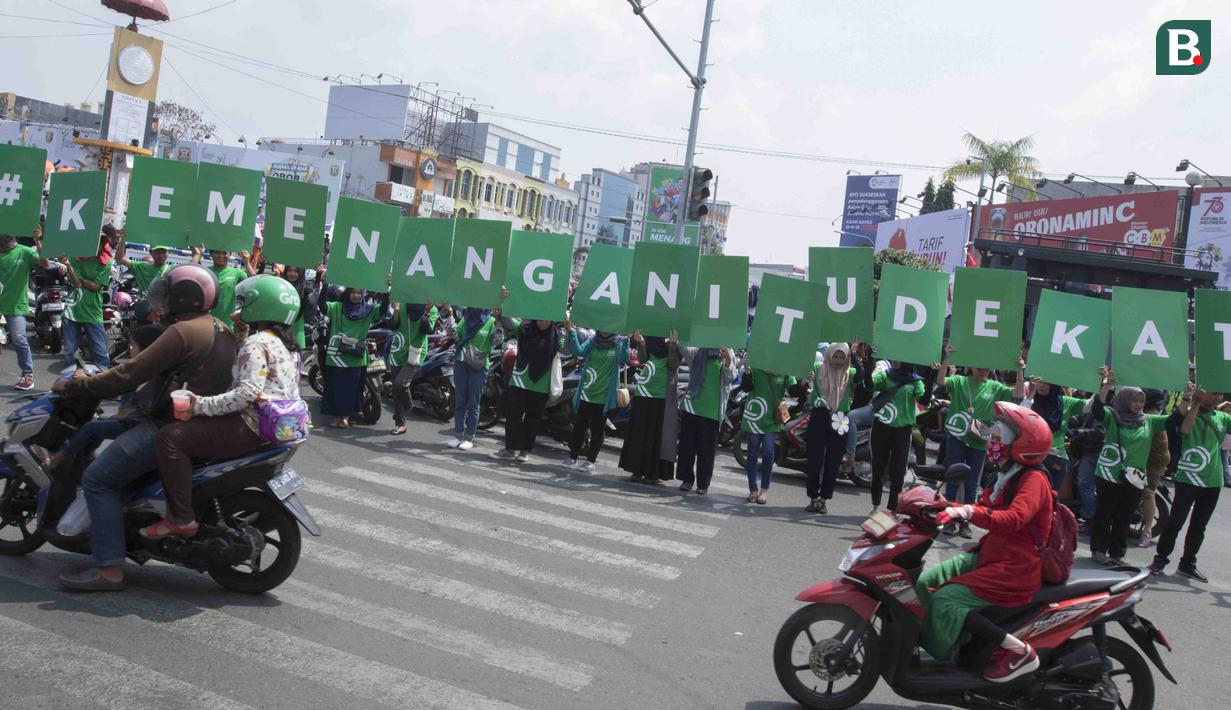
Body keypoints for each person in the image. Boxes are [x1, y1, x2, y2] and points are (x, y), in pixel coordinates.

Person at [55, 264, 237, 591]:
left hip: (164, 426)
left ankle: (108, 569)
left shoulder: (182, 332)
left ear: (185, 297)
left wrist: (78, 386)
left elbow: (129, 374)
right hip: (201, 424)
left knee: (97, 480)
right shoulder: (220, 328)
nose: (163, 302)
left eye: (168, 295)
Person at [142, 275, 305, 539]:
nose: (238, 307)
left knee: (170, 439)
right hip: (279, 426)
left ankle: (181, 517)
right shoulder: (288, 345)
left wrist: (199, 405)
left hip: (249, 425)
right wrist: (241, 333)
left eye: (244, 301)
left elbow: (247, 393)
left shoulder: (258, 342)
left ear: (260, 304)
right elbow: (254, 371)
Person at [917, 402, 1052, 683]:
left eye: (998, 438)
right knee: (921, 583)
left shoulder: (1033, 480)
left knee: (945, 600)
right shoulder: (1006, 473)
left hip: (1014, 567)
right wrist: (942, 504)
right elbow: (983, 505)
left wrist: (967, 511)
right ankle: (957, 641)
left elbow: (1015, 518)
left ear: (1021, 444)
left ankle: (1016, 651)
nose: (992, 442)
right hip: (991, 554)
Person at [47, 323, 165, 472]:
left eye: (133, 345)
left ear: (147, 347)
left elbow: (112, 385)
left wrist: (83, 381)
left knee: (89, 428)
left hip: (133, 422)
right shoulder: (153, 366)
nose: (130, 348)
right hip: (134, 417)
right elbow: (114, 381)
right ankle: (88, 455)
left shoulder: (141, 370)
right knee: (100, 420)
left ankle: (58, 457)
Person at [935, 346, 1025, 537]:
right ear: (970, 364)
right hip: (957, 437)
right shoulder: (959, 381)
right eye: (978, 364)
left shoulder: (995, 387)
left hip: (980, 440)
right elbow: (941, 381)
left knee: (972, 482)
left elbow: (1017, 395)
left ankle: (966, 522)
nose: (982, 368)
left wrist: (1020, 370)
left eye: (986, 365)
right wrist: (947, 357)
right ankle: (949, 519)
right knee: (953, 479)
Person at [1088, 370, 1169, 566]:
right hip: (1109, 474)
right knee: (1104, 514)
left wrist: (1187, 398)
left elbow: (1175, 420)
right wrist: (1107, 385)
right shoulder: (1112, 416)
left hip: (1135, 477)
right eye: (1134, 400)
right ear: (1124, 400)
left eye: (1141, 401)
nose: (1138, 404)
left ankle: (1117, 553)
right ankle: (1099, 550)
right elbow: (1097, 408)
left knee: (1124, 517)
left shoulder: (1148, 421)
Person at [1149, 384, 1225, 582]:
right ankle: (1160, 559)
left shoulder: (1222, 418)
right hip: (1188, 479)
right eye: (1215, 392)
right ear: (1203, 391)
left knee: (1199, 526)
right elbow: (1185, 429)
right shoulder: (1188, 414)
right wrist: (1197, 403)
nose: (1219, 397)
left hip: (1213, 481)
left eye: (1220, 394)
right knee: (1175, 522)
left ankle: (1187, 563)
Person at [804, 341, 864, 514]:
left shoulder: (850, 372)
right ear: (829, 355)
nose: (838, 360)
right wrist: (805, 379)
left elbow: (862, 376)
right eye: (835, 356)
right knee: (814, 458)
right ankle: (813, 497)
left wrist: (854, 354)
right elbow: (801, 381)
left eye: (841, 357)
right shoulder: (817, 368)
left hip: (840, 418)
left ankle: (824, 499)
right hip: (819, 415)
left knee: (833, 460)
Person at [491, 317, 563, 462]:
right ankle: (510, 449)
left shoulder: (556, 335)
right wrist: (501, 312)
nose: (544, 322)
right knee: (513, 416)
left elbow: (568, 347)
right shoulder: (524, 327)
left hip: (541, 384)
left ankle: (525, 451)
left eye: (547, 320)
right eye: (541, 320)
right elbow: (510, 323)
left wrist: (570, 330)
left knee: (533, 419)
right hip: (520, 380)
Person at [562, 321, 630, 472]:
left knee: (597, 429)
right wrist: (572, 332)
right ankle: (572, 457)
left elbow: (625, 358)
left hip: (603, 395)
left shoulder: (618, 343)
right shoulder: (592, 341)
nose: (605, 329)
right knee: (579, 426)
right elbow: (578, 350)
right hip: (586, 392)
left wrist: (627, 341)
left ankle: (590, 460)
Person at [619, 330, 680, 484]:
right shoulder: (651, 337)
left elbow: (673, 365)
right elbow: (642, 359)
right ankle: (637, 470)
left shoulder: (676, 337)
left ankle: (653, 474)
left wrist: (673, 346)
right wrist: (641, 343)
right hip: (644, 390)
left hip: (662, 393)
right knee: (640, 432)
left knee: (657, 434)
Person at [869, 360, 927, 515]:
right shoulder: (884, 375)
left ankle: (893, 509)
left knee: (898, 471)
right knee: (878, 467)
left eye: (899, 359)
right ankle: (875, 506)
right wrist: (869, 359)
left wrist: (933, 372)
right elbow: (870, 384)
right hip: (881, 425)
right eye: (894, 358)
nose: (895, 361)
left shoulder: (916, 381)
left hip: (903, 429)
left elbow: (923, 399)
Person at [677, 344, 737, 494]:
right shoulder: (699, 350)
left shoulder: (727, 352)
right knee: (687, 446)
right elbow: (684, 348)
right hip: (692, 406)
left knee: (706, 450)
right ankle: (687, 480)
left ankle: (703, 484)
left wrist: (728, 361)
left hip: (712, 411)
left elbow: (730, 378)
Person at [321, 287, 381, 429]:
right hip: (336, 356)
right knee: (334, 387)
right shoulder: (337, 307)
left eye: (359, 293)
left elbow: (383, 311)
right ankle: (336, 415)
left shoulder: (369, 309)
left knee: (351, 389)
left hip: (356, 357)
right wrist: (324, 283)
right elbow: (322, 306)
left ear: (363, 295)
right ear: (347, 294)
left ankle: (346, 416)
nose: (355, 295)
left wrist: (386, 290)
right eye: (353, 292)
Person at [449, 300, 504, 450]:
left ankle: (469, 437)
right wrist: (449, 315)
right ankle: (457, 435)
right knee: (460, 402)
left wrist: (499, 321)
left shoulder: (491, 321)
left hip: (479, 368)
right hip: (461, 363)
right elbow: (453, 335)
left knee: (473, 404)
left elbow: (497, 341)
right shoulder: (466, 318)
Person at [740, 363, 795, 505]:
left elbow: (794, 390)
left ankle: (764, 490)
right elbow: (746, 387)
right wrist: (747, 371)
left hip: (772, 418)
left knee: (768, 453)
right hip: (755, 417)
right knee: (752, 453)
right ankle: (753, 489)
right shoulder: (756, 366)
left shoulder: (785, 370)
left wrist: (804, 382)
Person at [62, 229, 115, 370]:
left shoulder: (106, 262)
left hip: (93, 311)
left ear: (103, 243)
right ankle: (71, 380)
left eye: (100, 241)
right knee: (69, 350)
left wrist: (79, 277)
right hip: (72, 310)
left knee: (100, 351)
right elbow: (77, 284)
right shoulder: (73, 258)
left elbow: (96, 287)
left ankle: (103, 382)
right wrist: (69, 267)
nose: (96, 244)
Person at [0, 230, 46, 390]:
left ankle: (27, 375)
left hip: (15, 305)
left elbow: (44, 263)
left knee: (19, 339)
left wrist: (38, 241)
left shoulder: (24, 251)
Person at [1025, 378, 1089, 492]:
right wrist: (1030, 394)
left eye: (1046, 383)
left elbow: (1089, 406)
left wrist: (1103, 385)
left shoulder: (1065, 402)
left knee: (1051, 495)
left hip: (1056, 458)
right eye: (1040, 382)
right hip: (1032, 456)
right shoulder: (1030, 401)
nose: (1041, 386)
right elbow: (1021, 417)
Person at [388, 300, 438, 436]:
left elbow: (425, 330)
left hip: (416, 352)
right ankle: (400, 423)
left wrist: (427, 312)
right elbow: (393, 325)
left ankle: (408, 405)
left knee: (401, 384)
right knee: (396, 388)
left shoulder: (431, 308)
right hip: (398, 349)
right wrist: (396, 310)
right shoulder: (402, 304)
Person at [1136, 389, 1171, 547]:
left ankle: (1147, 531)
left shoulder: (1151, 416)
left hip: (1153, 459)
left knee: (1148, 492)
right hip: (1143, 455)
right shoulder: (1148, 413)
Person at [193, 247, 255, 330]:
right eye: (217, 252)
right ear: (211, 254)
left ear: (229, 255)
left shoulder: (236, 273)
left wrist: (247, 263)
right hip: (207, 324)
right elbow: (188, 275)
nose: (221, 256)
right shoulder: (205, 272)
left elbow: (255, 281)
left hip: (228, 325)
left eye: (224, 253)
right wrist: (198, 255)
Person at [279, 264, 310, 349]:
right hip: (279, 329)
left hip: (296, 331)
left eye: (295, 271)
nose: (292, 273)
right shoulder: (279, 287)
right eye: (289, 270)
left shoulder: (305, 290)